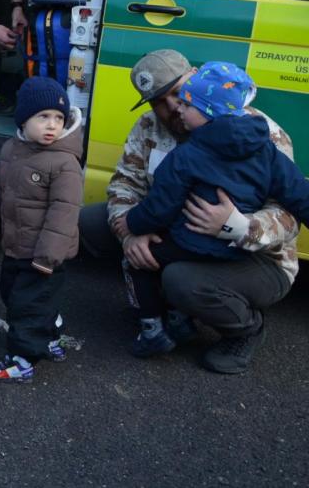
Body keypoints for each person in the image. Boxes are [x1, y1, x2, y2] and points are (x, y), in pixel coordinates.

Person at [78, 49, 299, 374]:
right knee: (92, 222)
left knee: (181, 280)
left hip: (257, 256)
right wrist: (129, 234)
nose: (171, 108)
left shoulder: (259, 132)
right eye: (158, 101)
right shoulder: (150, 125)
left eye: (176, 93)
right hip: (180, 233)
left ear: (196, 79)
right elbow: (125, 185)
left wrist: (236, 225)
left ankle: (246, 329)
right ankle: (166, 311)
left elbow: (290, 216)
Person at [0, 77, 83, 383]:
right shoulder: (12, 149)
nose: (52, 125)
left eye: (59, 118)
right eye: (43, 116)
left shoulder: (64, 163)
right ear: (24, 119)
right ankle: (50, 334)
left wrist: (47, 256)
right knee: (12, 293)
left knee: (27, 305)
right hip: (17, 245)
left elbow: (64, 212)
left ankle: (22, 360)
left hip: (43, 254)